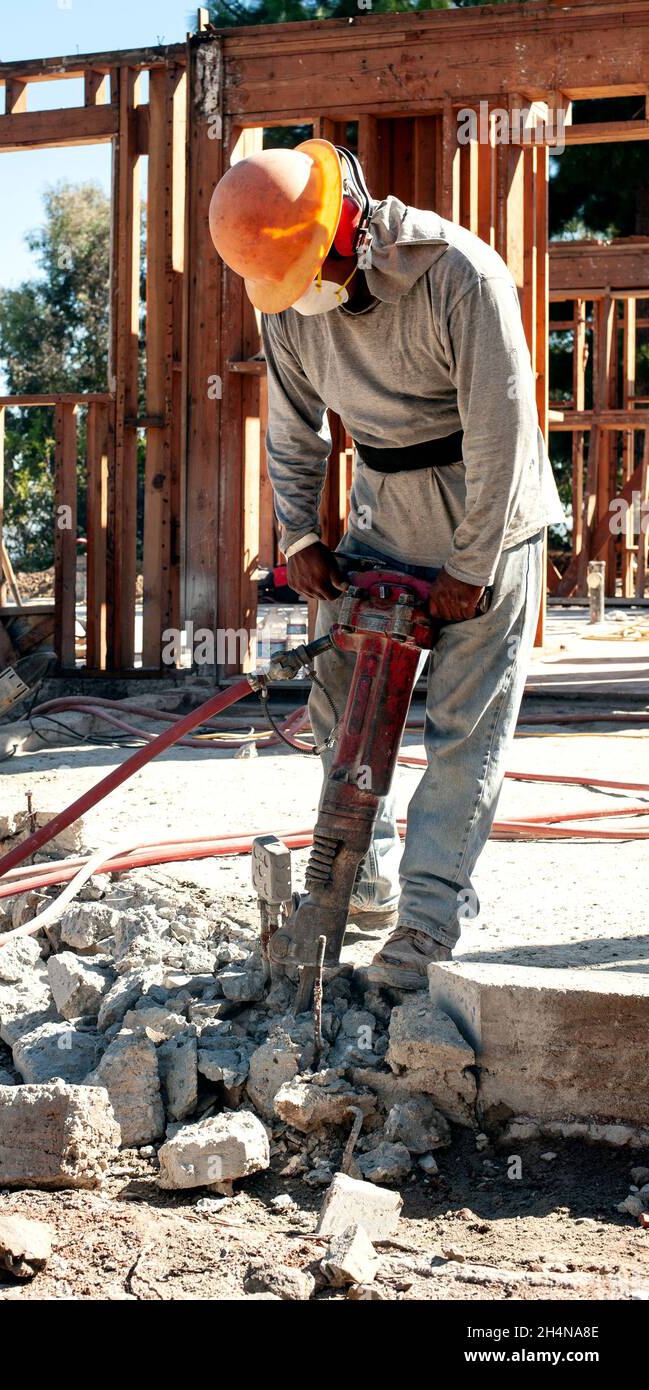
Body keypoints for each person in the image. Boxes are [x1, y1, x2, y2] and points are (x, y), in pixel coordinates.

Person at [209, 139, 564, 990]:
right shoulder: (285, 295)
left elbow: (501, 436)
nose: (306, 298)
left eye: (311, 272)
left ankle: (426, 921)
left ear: (348, 224)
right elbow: (293, 430)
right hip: (382, 506)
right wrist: (299, 539)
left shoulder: (457, 276)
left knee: (463, 731)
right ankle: (353, 874)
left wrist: (471, 565)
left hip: (489, 507)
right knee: (341, 704)